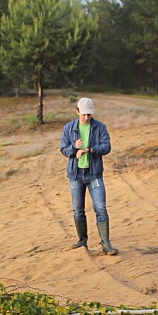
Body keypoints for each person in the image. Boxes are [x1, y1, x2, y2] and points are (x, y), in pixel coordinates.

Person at [60, 97, 118, 255]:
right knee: (78, 210)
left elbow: (107, 147)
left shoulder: (100, 127)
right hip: (76, 175)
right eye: (84, 114)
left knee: (101, 209)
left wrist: (90, 150)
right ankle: (82, 241)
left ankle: (106, 244)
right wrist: (74, 148)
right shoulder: (69, 128)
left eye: (89, 114)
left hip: (94, 174)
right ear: (77, 111)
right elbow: (64, 150)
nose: (86, 117)